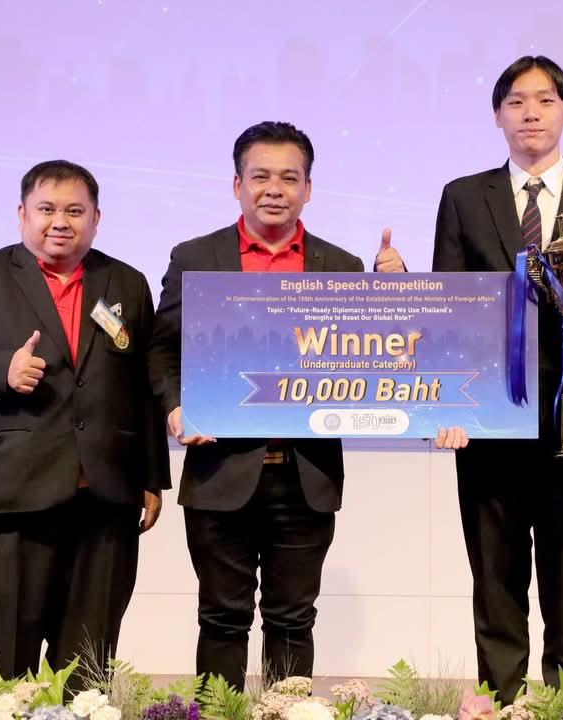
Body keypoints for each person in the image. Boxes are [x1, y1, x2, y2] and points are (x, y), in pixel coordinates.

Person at [406, 55, 563, 697]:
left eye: (544, 100)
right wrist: (443, 404)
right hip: (490, 422)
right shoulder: (463, 197)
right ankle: (501, 702)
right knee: (495, 577)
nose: (530, 113)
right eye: (515, 101)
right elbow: (448, 309)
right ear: (497, 116)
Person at [0, 160, 170, 680]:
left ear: (96, 218)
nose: (60, 222)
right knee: (4, 656)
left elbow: (142, 385)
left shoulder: (125, 281)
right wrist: (0, 369)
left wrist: (150, 476)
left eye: (75, 211)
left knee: (88, 662)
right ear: (22, 215)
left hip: (104, 498)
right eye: (47, 209)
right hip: (11, 495)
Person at [149, 121, 365, 691]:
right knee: (221, 618)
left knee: (293, 620)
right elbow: (163, 349)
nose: (275, 189)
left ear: (308, 189)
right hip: (220, 470)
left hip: (306, 474)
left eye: (289, 178)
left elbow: (371, 357)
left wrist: (395, 289)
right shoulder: (196, 257)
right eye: (261, 176)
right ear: (237, 184)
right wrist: (175, 406)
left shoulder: (342, 267)